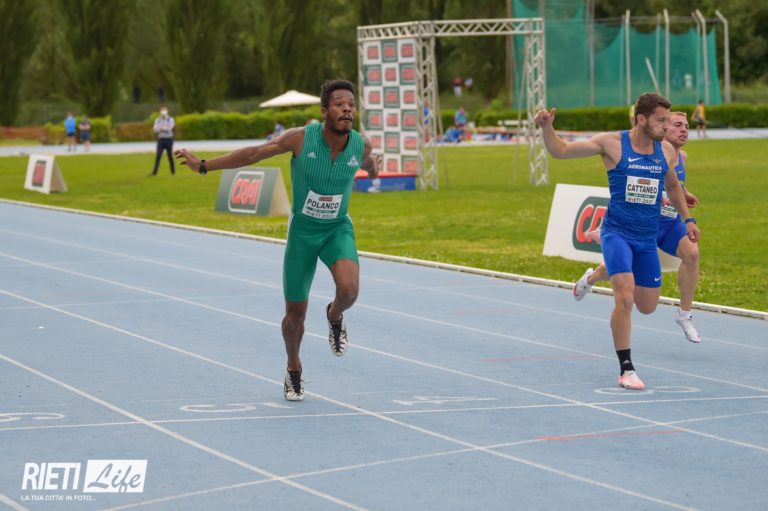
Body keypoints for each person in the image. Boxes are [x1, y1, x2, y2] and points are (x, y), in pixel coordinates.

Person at [174, 79, 382, 402]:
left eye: (351, 105)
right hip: (303, 234)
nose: (347, 110)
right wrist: (202, 166)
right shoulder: (300, 138)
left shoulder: (360, 144)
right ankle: (293, 367)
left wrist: (373, 171)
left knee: (349, 291)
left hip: (336, 229)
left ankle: (334, 315)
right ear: (325, 111)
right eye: (340, 105)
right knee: (295, 316)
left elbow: (367, 163)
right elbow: (254, 153)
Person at [534, 92, 701, 391]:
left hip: (646, 238)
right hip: (617, 234)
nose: (666, 127)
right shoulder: (611, 143)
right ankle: (626, 368)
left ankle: (594, 275)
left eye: (668, 121)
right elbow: (561, 150)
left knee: (647, 306)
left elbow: (673, 187)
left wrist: (688, 220)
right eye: (661, 121)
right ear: (641, 119)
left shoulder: (665, 151)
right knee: (624, 298)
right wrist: (547, 128)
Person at [573, 111, 702, 343]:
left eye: (687, 126)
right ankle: (592, 278)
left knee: (692, 253)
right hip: (641, 225)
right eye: (677, 125)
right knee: (622, 270)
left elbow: (673, 184)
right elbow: (635, 184)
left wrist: (684, 194)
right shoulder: (646, 151)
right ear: (663, 127)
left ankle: (684, 315)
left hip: (669, 224)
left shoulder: (681, 156)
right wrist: (656, 197)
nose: (684, 130)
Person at [150, 106, 175, 176]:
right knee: (158, 155)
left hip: (169, 139)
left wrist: (161, 128)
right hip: (161, 140)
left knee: (170, 156)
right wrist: (164, 128)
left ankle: (173, 172)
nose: (163, 111)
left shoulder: (170, 119)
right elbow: (155, 130)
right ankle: (154, 172)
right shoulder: (158, 120)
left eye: (165, 110)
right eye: (162, 110)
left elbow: (170, 129)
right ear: (160, 111)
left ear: (167, 111)